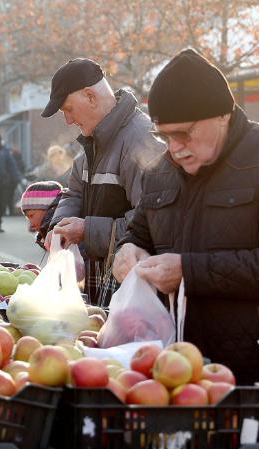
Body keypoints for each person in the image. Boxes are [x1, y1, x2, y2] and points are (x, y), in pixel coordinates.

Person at [111, 49, 259, 386]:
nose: (175, 147)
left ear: (223, 115)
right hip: (180, 366)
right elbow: (140, 231)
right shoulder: (162, 170)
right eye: (165, 135)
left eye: (184, 133)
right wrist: (127, 250)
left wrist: (188, 271)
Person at [42, 58, 163, 305]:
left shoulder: (140, 141)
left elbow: (152, 222)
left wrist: (87, 230)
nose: (68, 120)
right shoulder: (92, 141)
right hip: (101, 285)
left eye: (68, 109)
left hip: (131, 293)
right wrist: (58, 226)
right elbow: (73, 193)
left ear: (90, 96)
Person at [20, 181, 64, 250]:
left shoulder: (67, 236)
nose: (31, 225)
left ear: (50, 210)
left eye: (31, 216)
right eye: (27, 218)